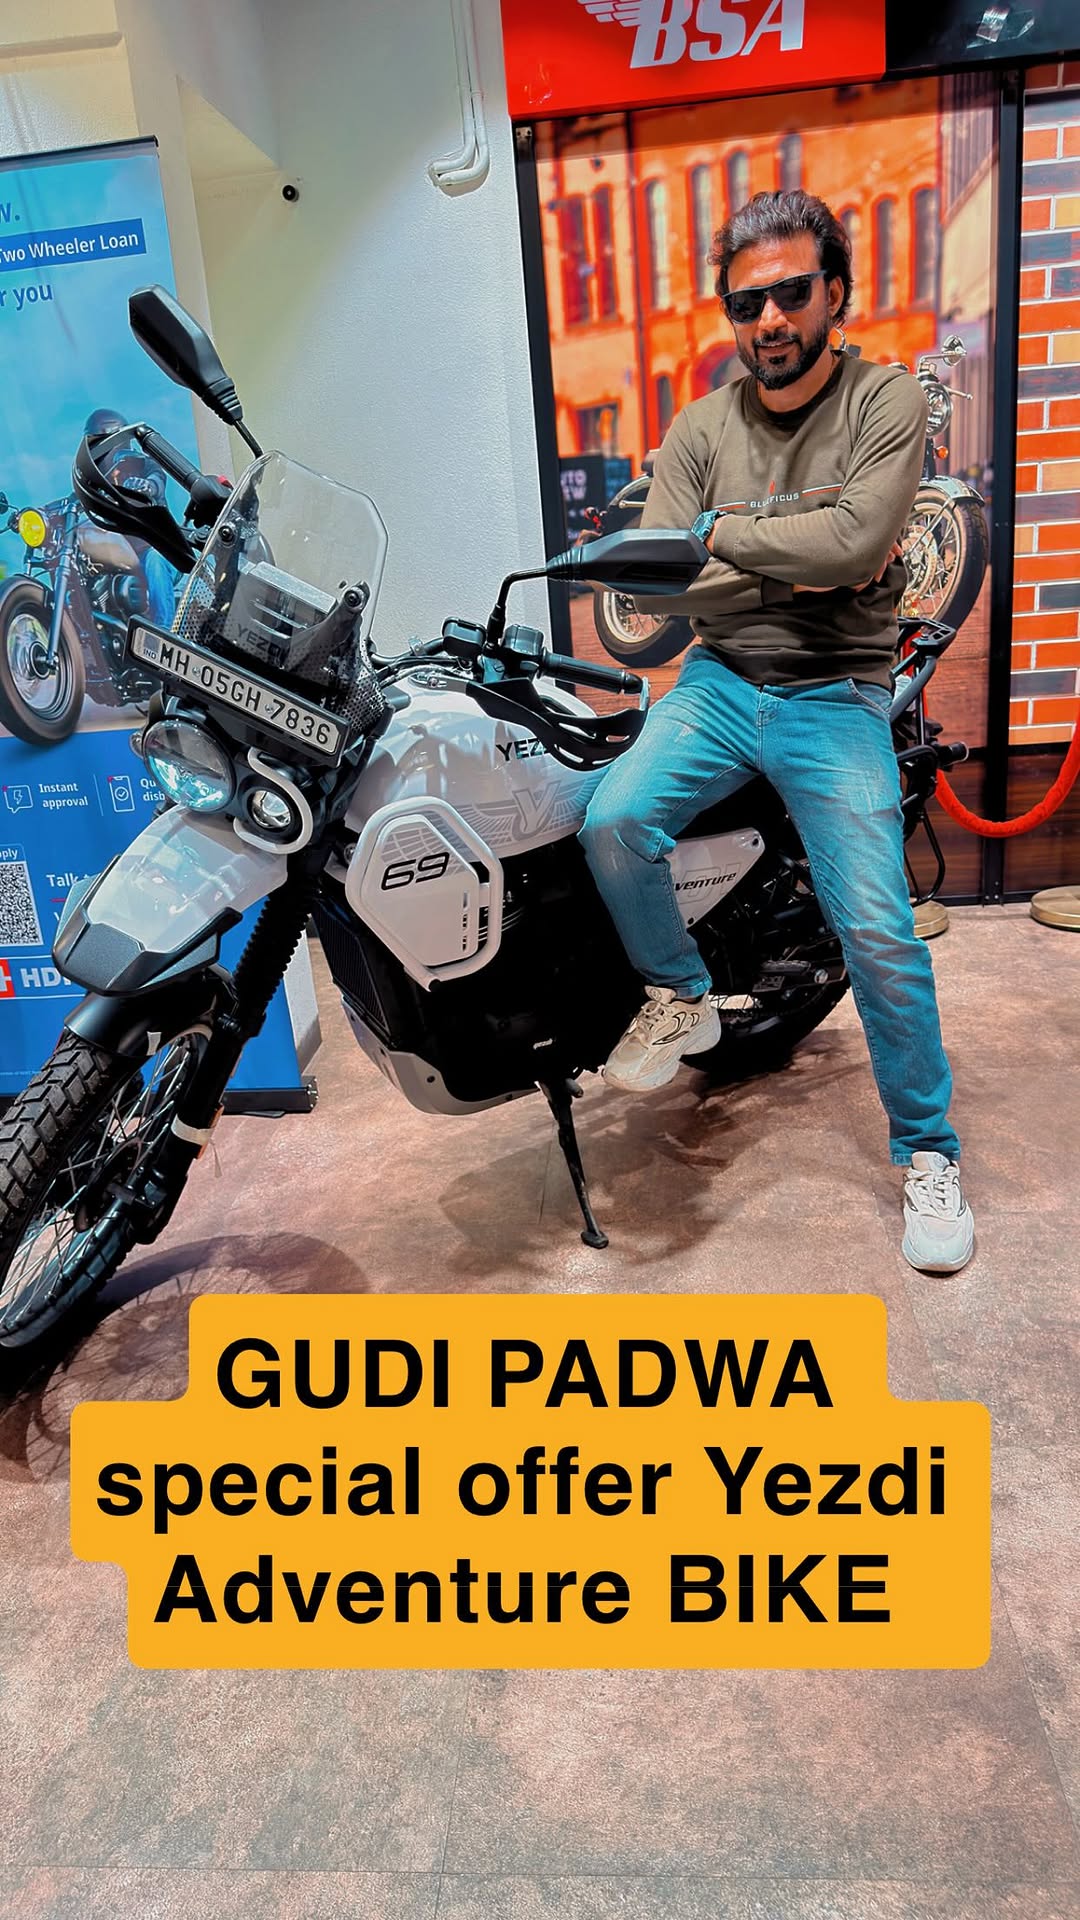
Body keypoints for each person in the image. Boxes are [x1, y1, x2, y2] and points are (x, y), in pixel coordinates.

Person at [579, 190, 973, 1276]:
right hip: (717, 682)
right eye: (746, 302)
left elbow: (858, 547)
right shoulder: (700, 427)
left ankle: (928, 1151)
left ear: (834, 292)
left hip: (834, 690)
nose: (769, 320)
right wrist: (784, 552)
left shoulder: (886, 399)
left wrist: (727, 534)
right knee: (612, 822)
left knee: (879, 927)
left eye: (792, 293)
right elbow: (662, 585)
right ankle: (682, 994)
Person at [81, 408, 177, 629]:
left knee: (154, 559)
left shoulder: (141, 465)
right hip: (125, 561)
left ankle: (165, 632)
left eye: (103, 443)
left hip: (163, 554)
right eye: (95, 445)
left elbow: (157, 479)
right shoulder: (94, 483)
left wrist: (147, 486)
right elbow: (74, 499)